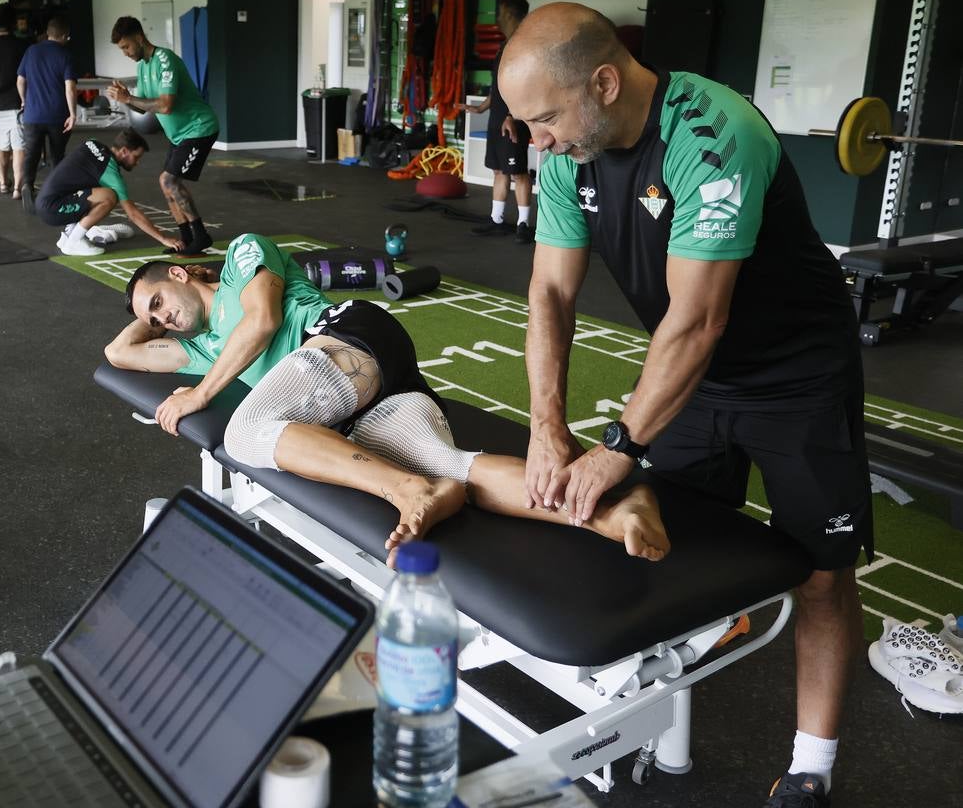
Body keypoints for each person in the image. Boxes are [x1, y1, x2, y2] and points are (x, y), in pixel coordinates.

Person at [498, 3, 872, 808]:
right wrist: (546, 428)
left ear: (603, 81)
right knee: (662, 537)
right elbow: (550, 295)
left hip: (794, 381)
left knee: (818, 575)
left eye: (545, 118)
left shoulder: (712, 134)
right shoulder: (569, 153)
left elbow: (698, 322)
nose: (535, 143)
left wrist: (619, 445)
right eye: (525, 124)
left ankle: (808, 775)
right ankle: (663, 704)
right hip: (689, 381)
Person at [104, 233, 669, 566]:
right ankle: (614, 514)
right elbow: (118, 353)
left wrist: (202, 394)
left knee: (244, 431)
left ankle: (407, 490)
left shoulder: (243, 260)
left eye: (158, 299)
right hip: (368, 399)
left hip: (347, 339)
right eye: (153, 319)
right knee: (455, 472)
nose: (161, 319)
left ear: (180, 271)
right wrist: (151, 321)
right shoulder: (201, 348)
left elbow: (263, 320)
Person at [106, 16, 219, 257]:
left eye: (126, 46)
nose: (125, 52)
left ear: (138, 37)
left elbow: (166, 106)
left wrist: (129, 99)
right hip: (179, 135)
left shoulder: (164, 59)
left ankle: (201, 235)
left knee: (170, 181)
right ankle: (186, 236)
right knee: (165, 182)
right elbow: (144, 106)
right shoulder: (142, 66)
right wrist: (127, 98)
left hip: (199, 128)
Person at [456, 0, 533, 244]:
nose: (498, 18)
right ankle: (497, 220)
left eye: (500, 12)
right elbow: (497, 88)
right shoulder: (505, 46)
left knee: (518, 172)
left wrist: (512, 115)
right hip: (497, 118)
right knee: (499, 170)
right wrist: (480, 109)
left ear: (510, 13)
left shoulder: (523, 45)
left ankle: (523, 225)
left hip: (514, 119)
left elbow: (525, 84)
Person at [35, 127, 183, 256]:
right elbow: (132, 213)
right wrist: (163, 239)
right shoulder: (108, 171)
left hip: (49, 201)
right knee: (109, 196)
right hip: (53, 209)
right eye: (136, 157)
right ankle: (74, 241)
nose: (137, 162)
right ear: (124, 151)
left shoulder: (93, 143)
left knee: (95, 189)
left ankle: (70, 234)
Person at [16, 13, 76, 209]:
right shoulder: (65, 55)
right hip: (57, 116)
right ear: (64, 35)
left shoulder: (31, 51)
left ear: (49, 33)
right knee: (57, 155)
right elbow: (70, 87)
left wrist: (25, 101)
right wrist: (73, 113)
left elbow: (20, 80)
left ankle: (27, 185)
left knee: (31, 153)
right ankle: (55, 192)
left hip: (32, 116)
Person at [0, 3, 30, 198]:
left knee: (1, 144)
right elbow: (26, 77)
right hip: (17, 103)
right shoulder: (21, 46)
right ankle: (18, 189)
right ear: (12, 23)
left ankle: (3, 182)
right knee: (19, 146)